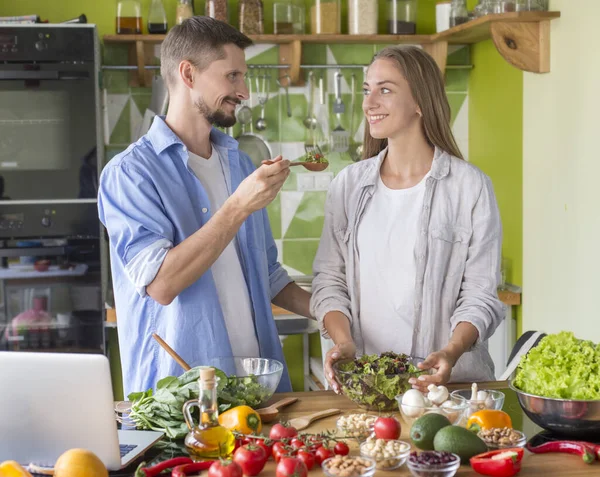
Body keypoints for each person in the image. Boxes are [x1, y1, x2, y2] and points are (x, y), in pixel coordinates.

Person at [98, 17, 311, 398]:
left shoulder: (240, 163)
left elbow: (267, 274)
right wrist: (237, 207)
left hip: (257, 393)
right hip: (182, 403)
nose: (243, 91)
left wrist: (334, 313)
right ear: (188, 74)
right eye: (232, 76)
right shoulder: (130, 174)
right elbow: (162, 284)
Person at [311, 46, 505, 394]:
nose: (369, 103)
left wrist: (451, 350)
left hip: (447, 391)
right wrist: (344, 343)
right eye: (367, 90)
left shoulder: (469, 186)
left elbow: (480, 295)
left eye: (385, 90)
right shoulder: (348, 185)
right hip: (367, 387)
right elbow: (329, 281)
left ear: (420, 101)